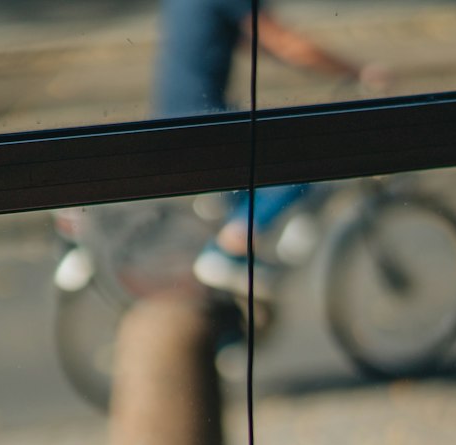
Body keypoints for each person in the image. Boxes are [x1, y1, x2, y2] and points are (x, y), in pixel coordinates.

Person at [152, 0, 389, 296]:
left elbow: (254, 39)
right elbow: (284, 43)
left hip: (180, 118)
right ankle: (226, 253)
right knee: (298, 161)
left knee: (258, 189)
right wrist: (355, 72)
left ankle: (236, 274)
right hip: (203, 123)